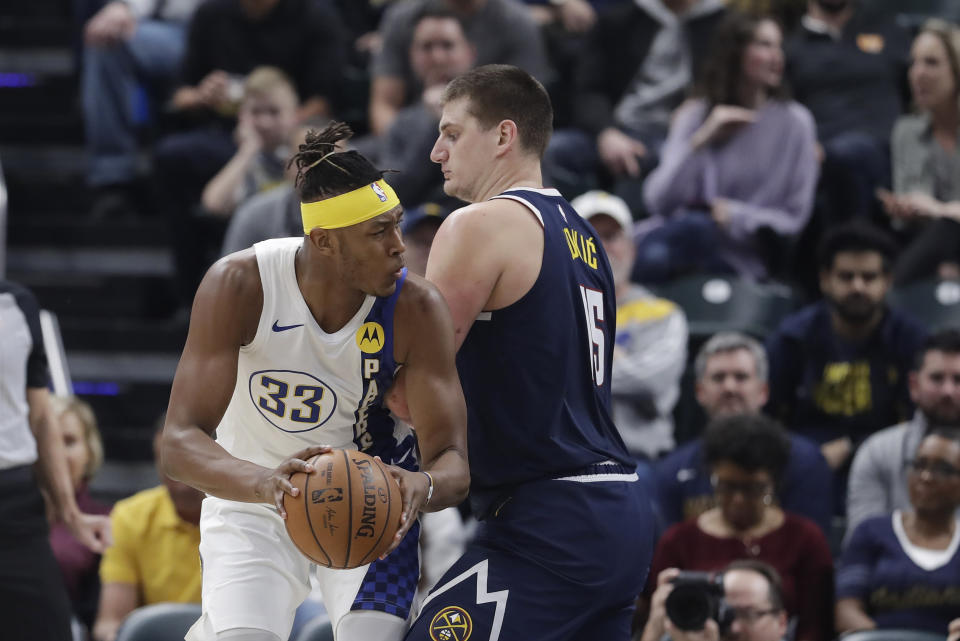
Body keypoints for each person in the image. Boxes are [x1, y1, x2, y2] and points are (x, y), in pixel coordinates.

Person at [160, 121, 470, 641]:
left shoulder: (417, 307)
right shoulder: (241, 284)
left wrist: (423, 485)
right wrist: (265, 484)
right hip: (253, 498)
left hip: (373, 500)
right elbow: (178, 443)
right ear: (324, 241)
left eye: (397, 225)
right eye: (379, 232)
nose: (399, 246)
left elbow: (454, 461)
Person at [405, 63, 655, 640]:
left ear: (503, 136)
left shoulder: (479, 225)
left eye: (451, 133)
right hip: (611, 507)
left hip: (552, 518)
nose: (437, 152)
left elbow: (412, 378)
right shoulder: (585, 236)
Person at [639, 11, 818, 282]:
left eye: (778, 46)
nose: (776, 57)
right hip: (675, 241)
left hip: (738, 260)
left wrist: (735, 216)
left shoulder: (796, 124)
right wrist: (702, 139)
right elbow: (657, 201)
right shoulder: (696, 117)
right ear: (735, 52)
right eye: (764, 45)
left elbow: (793, 220)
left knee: (682, 237)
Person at [641, 413, 834, 641]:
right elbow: (656, 620)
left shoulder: (805, 539)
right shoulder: (679, 541)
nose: (738, 499)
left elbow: (815, 629)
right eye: (727, 486)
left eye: (753, 488)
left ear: (774, 483)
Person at [766, 222, 927, 474]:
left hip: (887, 463)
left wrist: (853, 447)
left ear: (887, 281)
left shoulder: (910, 339)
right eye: (846, 276)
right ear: (824, 280)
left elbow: (918, 424)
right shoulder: (792, 338)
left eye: (869, 277)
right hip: (802, 464)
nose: (857, 287)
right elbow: (768, 417)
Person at [0, 279, 111, 641]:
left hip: (14, 503)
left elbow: (42, 415)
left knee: (49, 625)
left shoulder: (17, 303)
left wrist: (69, 511)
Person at [548, 0, 727, 205]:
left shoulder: (721, 27)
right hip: (615, 126)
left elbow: (725, 92)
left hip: (673, 137)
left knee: (644, 170)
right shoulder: (623, 17)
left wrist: (694, 110)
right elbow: (589, 88)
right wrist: (606, 133)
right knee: (550, 153)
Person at [656, 332, 833, 534]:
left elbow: (810, 553)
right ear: (699, 392)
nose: (729, 387)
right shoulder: (672, 470)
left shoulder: (805, 462)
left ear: (763, 391)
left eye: (741, 377)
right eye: (718, 377)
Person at [571, 189, 688, 461]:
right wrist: (615, 357)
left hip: (635, 458)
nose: (601, 247)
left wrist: (577, 362)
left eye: (611, 237)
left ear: (632, 249)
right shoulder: (552, 310)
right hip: (569, 460)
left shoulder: (663, 313)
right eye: (589, 237)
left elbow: (650, 381)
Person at [785, 0, 910, 223]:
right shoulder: (790, 46)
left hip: (887, 155)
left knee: (849, 154)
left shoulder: (888, 29)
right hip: (820, 161)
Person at [835, 430, 960, 636]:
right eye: (919, 465)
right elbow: (846, 610)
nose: (926, 477)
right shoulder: (872, 531)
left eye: (942, 469)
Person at [81, 0, 200, 215]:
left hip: (227, 22)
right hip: (169, 29)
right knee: (108, 36)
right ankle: (113, 177)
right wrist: (124, 6)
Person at [369, 0, 551, 136]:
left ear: (471, 52)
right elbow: (384, 105)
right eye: (427, 46)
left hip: (490, 138)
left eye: (447, 46)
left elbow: (529, 110)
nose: (438, 58)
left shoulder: (516, 22)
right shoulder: (402, 18)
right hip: (412, 134)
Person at [92, 424, 205, 641]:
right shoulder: (129, 517)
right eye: (165, 456)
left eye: (183, 455)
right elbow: (111, 621)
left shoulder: (244, 516)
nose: (172, 464)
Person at [847, 328, 960, 537]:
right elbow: (862, 549)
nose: (948, 391)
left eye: (958, 380)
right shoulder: (877, 451)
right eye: (937, 378)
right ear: (914, 385)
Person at [877, 19, 960, 285]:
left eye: (931, 63)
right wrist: (905, 209)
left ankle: (891, 299)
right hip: (924, 247)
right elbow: (912, 207)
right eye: (914, 63)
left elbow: (942, 217)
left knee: (948, 227)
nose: (917, 74)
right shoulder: (906, 131)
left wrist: (937, 209)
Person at [201, 67, 301, 218]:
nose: (264, 122)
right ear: (242, 115)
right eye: (255, 112)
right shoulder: (245, 159)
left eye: (274, 112)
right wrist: (247, 150)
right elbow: (214, 204)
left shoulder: (304, 155)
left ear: (294, 115)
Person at [48, 395, 110, 632]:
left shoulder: (107, 522)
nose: (57, 454)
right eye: (47, 441)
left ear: (89, 452)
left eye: (69, 441)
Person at [649, 560, 790, 641]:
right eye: (725, 613)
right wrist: (653, 630)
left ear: (781, 623)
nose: (734, 628)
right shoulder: (681, 635)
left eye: (748, 614)